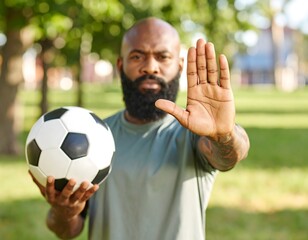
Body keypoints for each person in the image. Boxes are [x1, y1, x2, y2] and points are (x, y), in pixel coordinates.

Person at [30, 17, 250, 240]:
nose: (150, 67)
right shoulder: (91, 139)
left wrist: (224, 135)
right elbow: (67, 230)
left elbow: (229, 156)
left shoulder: (197, 135)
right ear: (120, 66)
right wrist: (64, 212)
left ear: (180, 66)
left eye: (163, 57)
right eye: (137, 56)